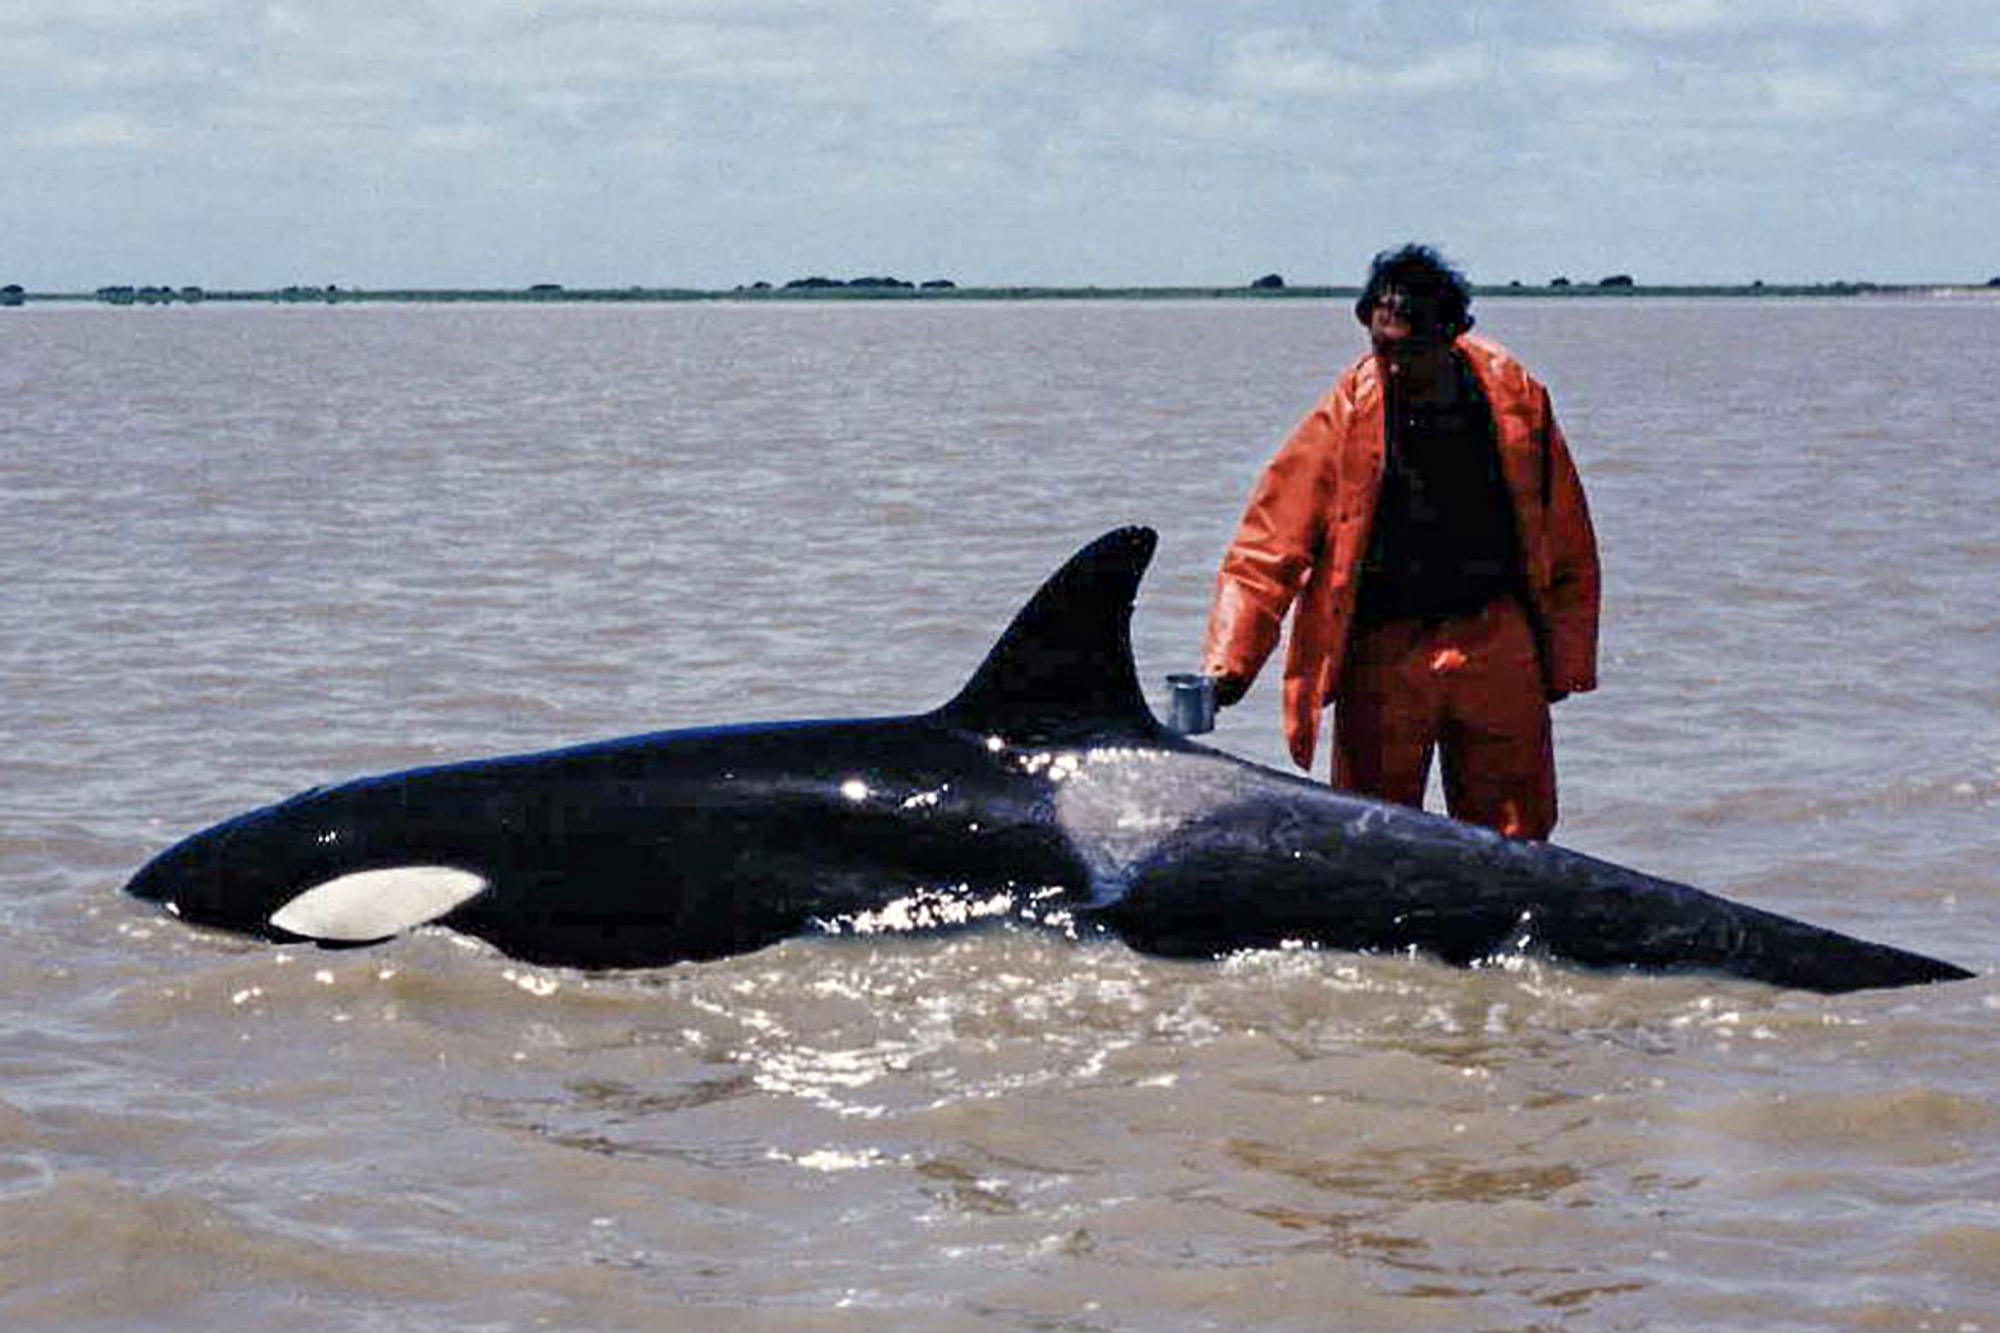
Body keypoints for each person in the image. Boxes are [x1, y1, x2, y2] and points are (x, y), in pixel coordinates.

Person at [1202, 244, 1599, 840]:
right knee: (1370, 834)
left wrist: (1565, 662)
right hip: (1383, 650)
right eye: (1380, 347)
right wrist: (1227, 666)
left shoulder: (1517, 399)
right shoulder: (1346, 412)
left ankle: (1510, 934)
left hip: (1496, 639)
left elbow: (1569, 538)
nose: (1391, 366)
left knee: (1517, 839)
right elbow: (1268, 546)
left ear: (1453, 334)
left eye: (1409, 352)